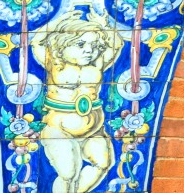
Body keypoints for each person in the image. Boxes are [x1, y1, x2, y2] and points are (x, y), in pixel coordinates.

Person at [31, 11, 123, 193]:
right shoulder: (54, 63)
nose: (89, 50)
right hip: (59, 129)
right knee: (68, 174)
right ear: (61, 46)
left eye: (94, 45)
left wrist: (103, 25)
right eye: (80, 44)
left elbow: (116, 45)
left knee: (104, 163)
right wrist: (57, 22)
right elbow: (36, 42)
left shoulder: (96, 64)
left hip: (94, 130)